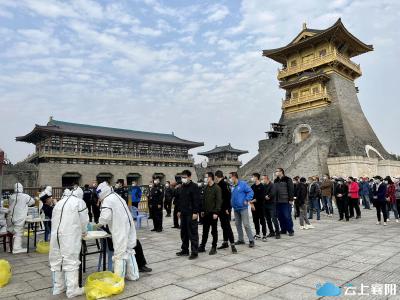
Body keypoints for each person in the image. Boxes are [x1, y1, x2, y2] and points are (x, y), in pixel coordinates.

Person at [49, 188, 89, 298]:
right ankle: (72, 290)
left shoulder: (59, 202)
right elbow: (84, 220)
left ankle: (58, 288)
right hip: (69, 236)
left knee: (57, 260)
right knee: (71, 260)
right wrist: (84, 231)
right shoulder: (79, 203)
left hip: (55, 236)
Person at [97, 181, 139, 280]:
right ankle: (133, 275)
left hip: (119, 228)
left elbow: (105, 218)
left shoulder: (107, 200)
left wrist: (98, 224)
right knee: (129, 249)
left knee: (120, 253)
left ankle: (119, 278)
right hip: (128, 226)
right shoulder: (116, 196)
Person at [176, 170, 200, 260]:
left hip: (191, 214)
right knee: (184, 232)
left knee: (192, 233)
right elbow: (179, 200)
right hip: (183, 213)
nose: (183, 179)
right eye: (182, 177)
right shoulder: (182, 187)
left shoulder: (194, 187)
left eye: (185, 177)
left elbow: (196, 201)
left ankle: (194, 251)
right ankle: (184, 250)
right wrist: (178, 210)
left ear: (190, 177)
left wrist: (195, 212)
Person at [6, 183, 35, 253]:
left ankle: (10, 247)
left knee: (11, 231)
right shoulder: (25, 196)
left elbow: (10, 204)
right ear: (22, 188)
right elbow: (32, 202)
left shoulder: (11, 196)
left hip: (10, 217)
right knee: (18, 233)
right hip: (19, 217)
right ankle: (16, 249)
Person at [199, 172, 222, 255]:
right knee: (205, 231)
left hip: (213, 213)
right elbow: (203, 200)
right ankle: (202, 246)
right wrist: (202, 210)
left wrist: (216, 212)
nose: (205, 178)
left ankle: (214, 247)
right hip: (206, 213)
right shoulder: (205, 188)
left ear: (211, 178)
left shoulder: (217, 188)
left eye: (206, 177)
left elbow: (219, 201)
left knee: (214, 231)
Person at [230, 172, 255, 247]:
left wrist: (247, 199)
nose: (230, 179)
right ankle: (241, 239)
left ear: (234, 177)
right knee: (237, 224)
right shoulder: (232, 186)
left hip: (243, 208)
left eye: (230, 177)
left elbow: (251, 192)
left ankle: (251, 240)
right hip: (236, 208)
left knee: (246, 224)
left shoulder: (243, 184)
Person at [215, 170, 236, 253]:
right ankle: (225, 242)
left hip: (224, 209)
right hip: (220, 209)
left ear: (216, 177)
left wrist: (228, 208)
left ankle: (233, 245)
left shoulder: (224, 184)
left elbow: (228, 197)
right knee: (223, 226)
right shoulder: (219, 184)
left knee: (227, 226)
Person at [273, 168, 295, 236]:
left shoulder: (287, 179)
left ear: (281, 172)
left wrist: (291, 199)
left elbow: (291, 189)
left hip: (285, 201)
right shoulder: (275, 180)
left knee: (287, 216)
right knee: (280, 217)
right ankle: (283, 230)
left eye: (277, 171)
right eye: (276, 171)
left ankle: (290, 230)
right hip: (277, 201)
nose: (276, 172)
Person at [250, 173, 267, 241]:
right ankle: (257, 233)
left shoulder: (262, 186)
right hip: (254, 207)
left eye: (253, 177)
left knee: (262, 221)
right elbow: (250, 195)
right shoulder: (252, 186)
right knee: (255, 220)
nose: (252, 178)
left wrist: (254, 200)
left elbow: (262, 196)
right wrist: (251, 204)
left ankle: (264, 235)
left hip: (261, 206)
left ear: (256, 177)